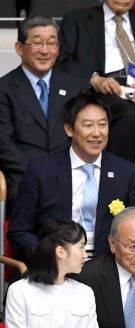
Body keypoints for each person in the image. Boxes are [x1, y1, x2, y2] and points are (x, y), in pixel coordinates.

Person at [58, 0, 135, 222]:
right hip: (103, 90)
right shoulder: (76, 20)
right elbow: (63, 61)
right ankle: (116, 195)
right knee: (128, 117)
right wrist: (94, 79)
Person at [8, 92, 135, 260]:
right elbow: (19, 231)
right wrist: (49, 256)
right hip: (55, 265)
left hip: (107, 267)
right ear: (69, 129)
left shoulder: (126, 173)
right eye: (88, 125)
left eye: (102, 125)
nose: (96, 133)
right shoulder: (42, 171)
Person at [0, 15, 88, 211]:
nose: (45, 51)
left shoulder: (75, 86)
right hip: (24, 176)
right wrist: (40, 174)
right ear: (19, 48)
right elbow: (4, 144)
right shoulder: (4, 88)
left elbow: (85, 134)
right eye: (37, 43)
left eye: (52, 43)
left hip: (72, 172)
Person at [5, 219, 100, 328]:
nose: (85, 254)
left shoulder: (85, 293)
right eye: (81, 247)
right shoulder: (19, 291)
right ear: (61, 252)